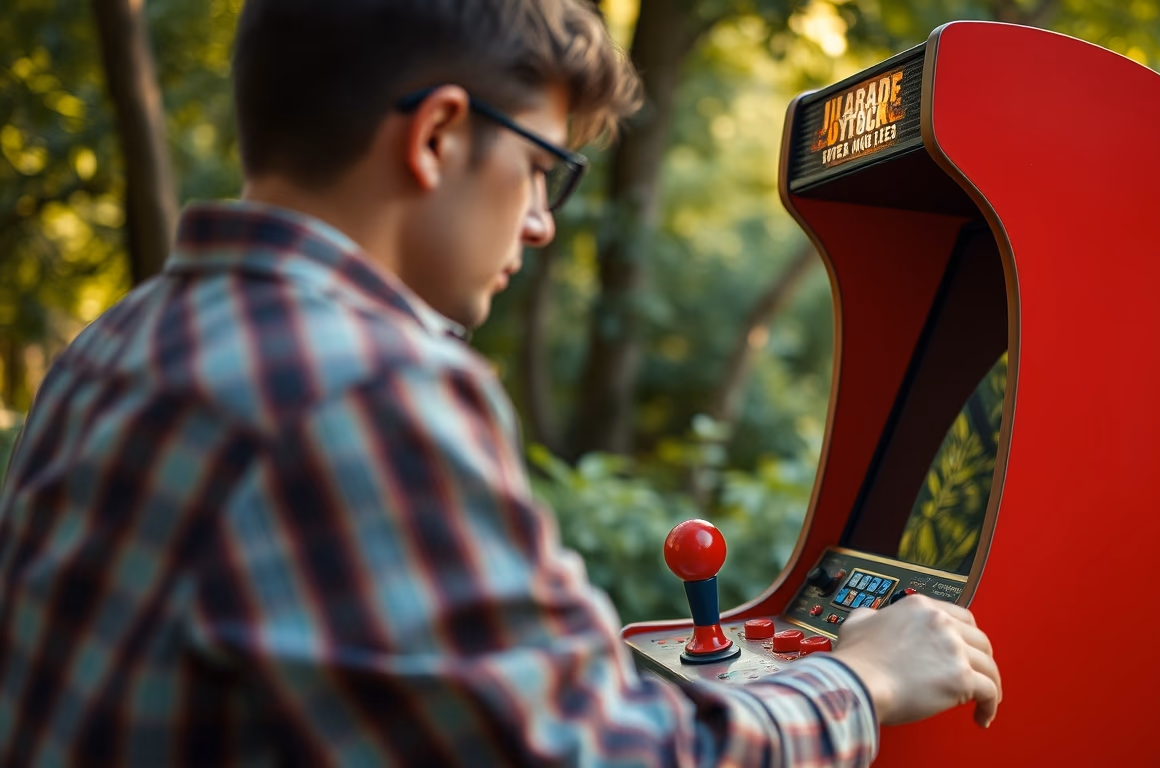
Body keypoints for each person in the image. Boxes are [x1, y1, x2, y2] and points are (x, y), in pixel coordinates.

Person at [0, 0, 1002, 764]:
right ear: (438, 136)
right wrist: (861, 677)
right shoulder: (361, 387)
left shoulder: (114, 347)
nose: (540, 222)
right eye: (539, 169)